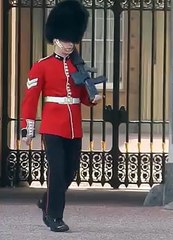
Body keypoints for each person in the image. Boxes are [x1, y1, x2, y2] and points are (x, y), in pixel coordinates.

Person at [20, 0, 101, 232]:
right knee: (56, 171)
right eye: (66, 40)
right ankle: (53, 216)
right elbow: (31, 99)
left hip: (74, 126)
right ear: (55, 39)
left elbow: (82, 96)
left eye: (72, 41)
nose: (69, 45)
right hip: (53, 126)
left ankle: (46, 201)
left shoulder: (78, 67)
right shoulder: (42, 66)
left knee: (70, 171)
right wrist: (28, 128)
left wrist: (93, 99)